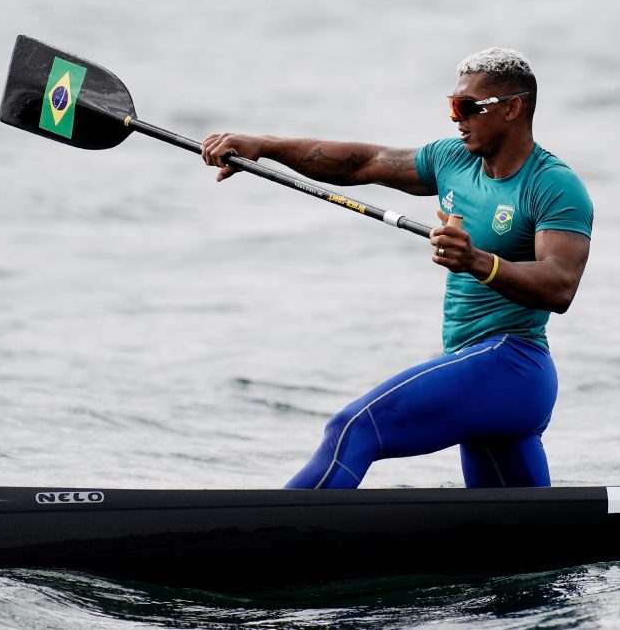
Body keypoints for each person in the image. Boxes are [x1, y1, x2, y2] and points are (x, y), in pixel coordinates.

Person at [201, 48, 593, 489]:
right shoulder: (453, 161)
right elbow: (361, 162)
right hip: (476, 369)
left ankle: (264, 542)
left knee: (353, 430)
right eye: (451, 105)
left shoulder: (552, 184)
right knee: (522, 542)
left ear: (512, 109)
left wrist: (475, 261)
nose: (455, 118)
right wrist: (263, 147)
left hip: (514, 367)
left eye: (467, 108)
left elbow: (560, 287)